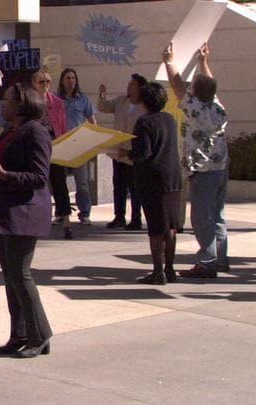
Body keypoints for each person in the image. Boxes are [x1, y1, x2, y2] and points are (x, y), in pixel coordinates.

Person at [0, 83, 53, 358]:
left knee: (20, 274)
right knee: (11, 277)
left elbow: (39, 177)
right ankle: (20, 333)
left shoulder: (36, 131)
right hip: (4, 212)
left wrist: (4, 175)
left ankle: (39, 335)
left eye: (8, 100)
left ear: (23, 103)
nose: (3, 104)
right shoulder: (11, 130)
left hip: (23, 213)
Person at [163, 42, 230, 278]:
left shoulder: (195, 108)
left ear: (196, 93)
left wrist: (169, 61)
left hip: (202, 168)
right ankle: (220, 259)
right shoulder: (217, 106)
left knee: (202, 216)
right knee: (217, 213)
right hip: (220, 166)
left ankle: (207, 262)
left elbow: (176, 85)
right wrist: (203, 63)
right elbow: (210, 85)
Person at [120, 82, 182, 284]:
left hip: (153, 180)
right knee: (171, 226)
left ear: (145, 101)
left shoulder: (144, 122)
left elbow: (143, 154)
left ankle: (158, 271)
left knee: (156, 228)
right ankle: (170, 268)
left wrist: (126, 153)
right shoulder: (170, 119)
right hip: (173, 177)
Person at [98, 74, 148, 231]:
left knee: (135, 188)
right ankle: (119, 216)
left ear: (140, 88)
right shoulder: (121, 101)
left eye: (133, 84)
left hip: (133, 153)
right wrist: (102, 93)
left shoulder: (145, 106)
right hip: (118, 151)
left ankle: (136, 219)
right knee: (118, 186)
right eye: (129, 84)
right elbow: (103, 107)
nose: (129, 87)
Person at [31, 70, 73, 240]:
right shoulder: (30, 102)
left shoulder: (56, 102)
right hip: (36, 145)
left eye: (48, 81)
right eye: (41, 82)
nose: (45, 85)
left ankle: (67, 221)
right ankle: (38, 220)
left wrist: (64, 144)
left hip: (53, 143)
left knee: (59, 183)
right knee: (38, 183)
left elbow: (62, 125)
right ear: (34, 83)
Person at [56, 68, 97, 225]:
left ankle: (84, 213)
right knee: (59, 181)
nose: (71, 80)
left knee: (82, 182)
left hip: (79, 144)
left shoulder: (83, 99)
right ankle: (62, 212)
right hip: (61, 143)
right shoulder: (55, 98)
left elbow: (92, 120)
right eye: (68, 78)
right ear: (62, 80)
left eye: (73, 78)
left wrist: (93, 140)